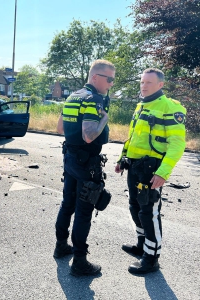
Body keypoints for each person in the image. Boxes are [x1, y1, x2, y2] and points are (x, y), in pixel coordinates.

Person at [115, 68, 186, 274]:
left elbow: (177, 144)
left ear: (160, 85)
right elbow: (133, 136)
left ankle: (151, 258)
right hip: (134, 165)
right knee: (134, 206)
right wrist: (122, 158)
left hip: (152, 168)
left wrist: (163, 172)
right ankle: (141, 245)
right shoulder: (141, 105)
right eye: (142, 82)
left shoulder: (169, 107)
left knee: (149, 212)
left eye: (148, 82)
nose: (143, 86)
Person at [54, 59, 115, 276]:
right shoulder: (94, 99)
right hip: (86, 162)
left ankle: (61, 246)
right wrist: (104, 120)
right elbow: (89, 136)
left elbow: (60, 127)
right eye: (109, 79)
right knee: (84, 211)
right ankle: (79, 261)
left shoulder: (73, 96)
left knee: (67, 202)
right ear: (96, 77)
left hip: (70, 158)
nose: (111, 84)